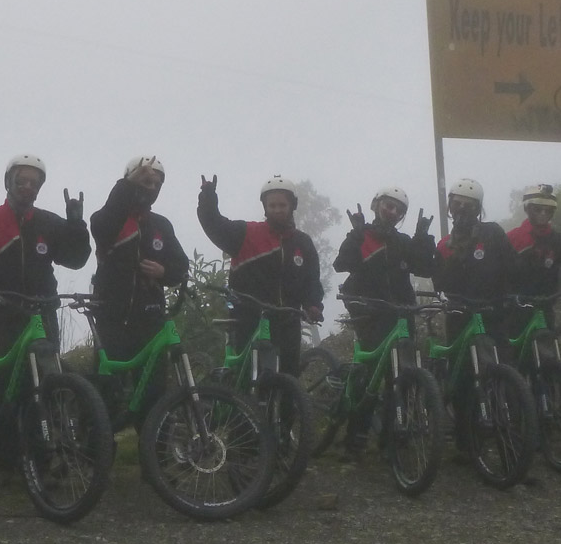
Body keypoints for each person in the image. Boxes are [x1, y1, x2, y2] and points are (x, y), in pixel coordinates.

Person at [0, 153, 89, 464]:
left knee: (43, 381)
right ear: (9, 182)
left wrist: (76, 224)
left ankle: (40, 457)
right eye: (21, 181)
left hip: (40, 309)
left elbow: (75, 258)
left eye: (34, 183)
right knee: (4, 382)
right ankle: (4, 460)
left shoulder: (48, 222)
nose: (27, 187)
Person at [333, 186, 435, 456]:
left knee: (400, 376)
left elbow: (424, 267)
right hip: (370, 313)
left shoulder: (402, 242)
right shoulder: (362, 235)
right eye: (388, 206)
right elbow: (341, 264)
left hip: (401, 313)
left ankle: (393, 437)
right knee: (368, 374)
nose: (393, 212)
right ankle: (356, 437)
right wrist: (356, 236)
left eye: (398, 210)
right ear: (376, 205)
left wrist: (422, 238)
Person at [196, 174, 323, 375]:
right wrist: (208, 198)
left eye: (282, 205)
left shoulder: (303, 243)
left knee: (288, 380)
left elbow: (312, 280)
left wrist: (313, 305)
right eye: (272, 206)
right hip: (249, 319)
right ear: (265, 207)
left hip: (288, 321)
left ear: (292, 206)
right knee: (248, 377)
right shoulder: (246, 233)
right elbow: (214, 224)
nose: (277, 210)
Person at [89, 156, 190, 394]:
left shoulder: (161, 225)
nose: (151, 188)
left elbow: (180, 266)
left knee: (153, 392)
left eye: (157, 184)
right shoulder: (107, 219)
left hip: (150, 320)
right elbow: (103, 227)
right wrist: (128, 184)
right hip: (112, 318)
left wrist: (164, 272)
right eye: (146, 182)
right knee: (106, 393)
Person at [432, 177, 514, 322]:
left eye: (468, 205)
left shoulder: (492, 233)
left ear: (477, 209)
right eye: (457, 203)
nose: (462, 209)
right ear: (450, 206)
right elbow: (439, 284)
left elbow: (511, 267)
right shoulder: (444, 245)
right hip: (457, 316)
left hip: (492, 314)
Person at [505, 184, 561, 304]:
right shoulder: (512, 237)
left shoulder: (556, 239)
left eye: (548, 210)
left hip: (545, 308)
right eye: (537, 209)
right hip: (515, 309)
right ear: (527, 209)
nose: (543, 213)